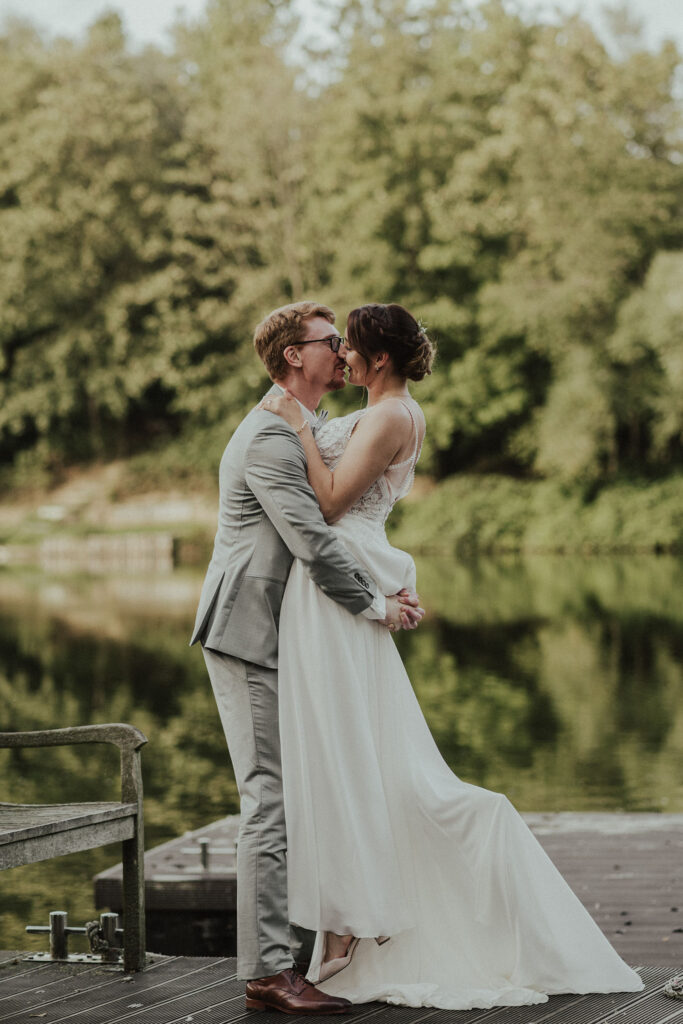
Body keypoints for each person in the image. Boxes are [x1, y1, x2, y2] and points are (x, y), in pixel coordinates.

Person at [262, 302, 644, 1010]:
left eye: (349, 349)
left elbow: (330, 503)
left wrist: (294, 428)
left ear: (378, 360)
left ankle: (355, 918)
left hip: (337, 585)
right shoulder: (384, 410)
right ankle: (349, 915)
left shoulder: (390, 415)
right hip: (338, 585)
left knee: (346, 746)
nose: (340, 356)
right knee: (346, 745)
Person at [190, 300, 424, 1015]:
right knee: (269, 797)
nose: (342, 352)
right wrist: (376, 604)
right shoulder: (268, 434)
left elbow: (350, 510)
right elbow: (312, 539)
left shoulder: (310, 426)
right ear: (295, 355)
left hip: (289, 633)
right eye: (329, 342)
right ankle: (266, 971)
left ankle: (312, 943)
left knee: (299, 789)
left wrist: (386, 576)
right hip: (248, 631)